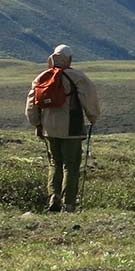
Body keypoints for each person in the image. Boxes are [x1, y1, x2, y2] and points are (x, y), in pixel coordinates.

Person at [26, 44, 101, 213]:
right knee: (71, 166)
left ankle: (54, 196)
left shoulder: (42, 77)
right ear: (69, 59)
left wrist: (37, 124)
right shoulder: (77, 77)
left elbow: (31, 105)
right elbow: (89, 100)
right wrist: (92, 117)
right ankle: (68, 204)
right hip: (71, 129)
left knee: (55, 164)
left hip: (49, 130)